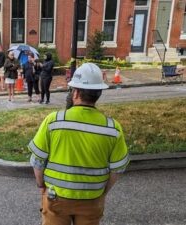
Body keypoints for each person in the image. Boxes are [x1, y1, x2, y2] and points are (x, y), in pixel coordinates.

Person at [28, 63, 129, 225]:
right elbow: (117, 169)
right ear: (98, 93)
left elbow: (37, 162)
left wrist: (41, 186)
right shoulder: (112, 128)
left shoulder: (54, 121)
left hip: (56, 198)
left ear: (75, 92)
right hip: (92, 199)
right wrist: (102, 193)